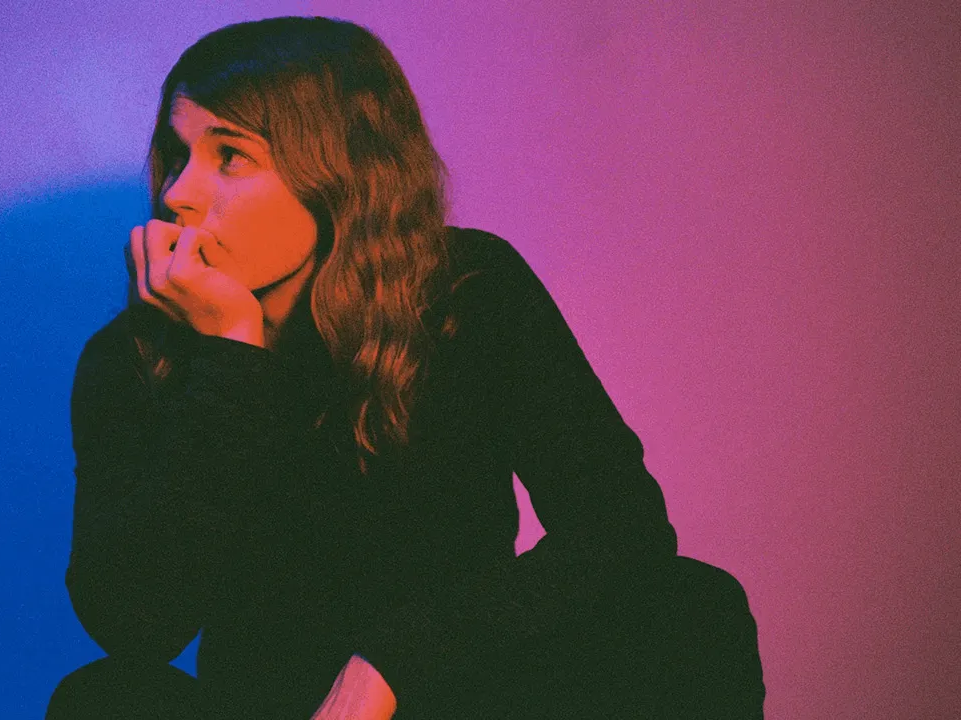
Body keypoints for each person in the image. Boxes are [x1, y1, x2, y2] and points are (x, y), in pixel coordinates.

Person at [46, 15, 765, 720]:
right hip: (267, 705)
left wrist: (392, 662)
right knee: (100, 701)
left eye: (229, 156)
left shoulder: (468, 293)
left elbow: (622, 529)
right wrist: (232, 356)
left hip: (464, 685)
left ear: (335, 173)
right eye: (178, 156)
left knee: (694, 606)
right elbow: (134, 628)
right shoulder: (132, 356)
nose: (178, 193)